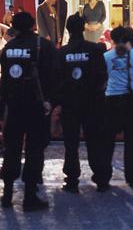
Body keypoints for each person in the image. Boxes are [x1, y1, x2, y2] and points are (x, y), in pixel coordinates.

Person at [0, 12, 55, 210]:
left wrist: (1, 108)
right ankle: (30, 196)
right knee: (34, 150)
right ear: (33, 25)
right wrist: (51, 101)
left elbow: (4, 80)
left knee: (11, 148)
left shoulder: (8, 48)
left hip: (13, 106)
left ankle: (7, 194)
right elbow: (52, 76)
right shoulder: (43, 46)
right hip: (35, 106)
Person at [54, 14, 108, 193]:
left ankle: (72, 180)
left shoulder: (62, 53)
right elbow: (102, 75)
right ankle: (101, 178)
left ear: (68, 30)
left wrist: (58, 100)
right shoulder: (95, 50)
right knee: (95, 141)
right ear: (83, 28)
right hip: (92, 102)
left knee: (71, 143)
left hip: (69, 103)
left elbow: (57, 79)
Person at [99, 26, 133, 189]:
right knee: (132, 141)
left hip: (111, 101)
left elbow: (102, 79)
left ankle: (103, 179)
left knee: (107, 142)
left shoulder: (106, 56)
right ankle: (131, 177)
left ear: (112, 39)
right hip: (131, 100)